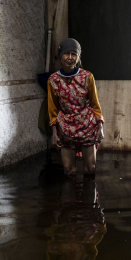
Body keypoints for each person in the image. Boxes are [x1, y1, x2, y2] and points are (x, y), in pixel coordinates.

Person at [48, 38, 104, 177]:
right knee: (69, 171)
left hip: (87, 127)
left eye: (74, 54)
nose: (70, 58)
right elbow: (52, 108)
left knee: (90, 169)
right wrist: (54, 133)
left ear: (78, 57)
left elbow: (95, 104)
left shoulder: (87, 77)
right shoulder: (53, 80)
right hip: (66, 129)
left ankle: (89, 192)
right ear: (60, 56)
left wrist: (100, 127)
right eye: (66, 54)